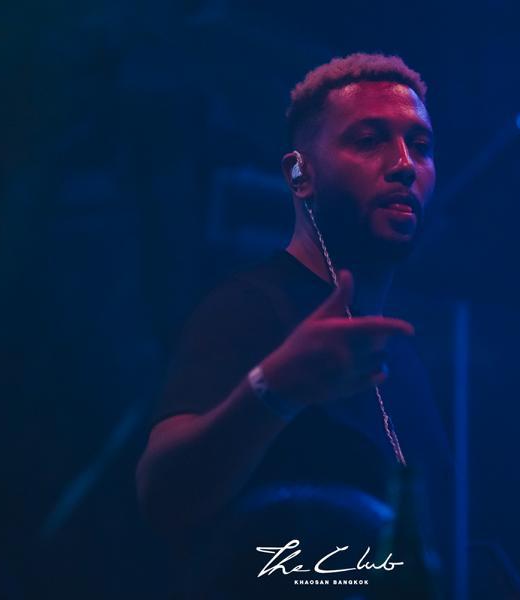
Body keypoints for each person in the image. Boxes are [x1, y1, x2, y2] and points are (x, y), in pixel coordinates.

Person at [136, 53, 453, 598]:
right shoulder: (250, 308)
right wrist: (277, 388)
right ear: (299, 175)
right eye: (370, 140)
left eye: (420, 146)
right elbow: (160, 494)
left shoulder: (399, 351)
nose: (405, 164)